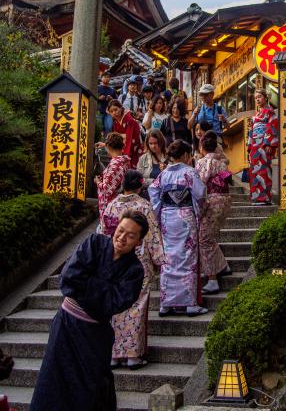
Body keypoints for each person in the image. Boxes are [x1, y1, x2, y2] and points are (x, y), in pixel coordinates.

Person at [29, 211, 148, 411]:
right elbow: (69, 279)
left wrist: (87, 284)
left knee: (91, 386)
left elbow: (115, 303)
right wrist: (103, 289)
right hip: (66, 325)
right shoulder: (94, 243)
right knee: (53, 378)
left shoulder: (135, 270)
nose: (122, 237)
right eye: (120, 230)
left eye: (130, 235)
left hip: (95, 334)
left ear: (139, 241)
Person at [99, 170, 165, 370]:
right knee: (137, 304)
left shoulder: (112, 205)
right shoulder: (143, 206)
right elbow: (152, 233)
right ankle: (133, 355)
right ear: (139, 186)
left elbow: (104, 231)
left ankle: (113, 353)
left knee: (115, 305)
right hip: (138, 258)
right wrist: (159, 258)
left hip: (115, 257)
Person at [149, 139, 207, 317]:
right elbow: (200, 194)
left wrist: (159, 210)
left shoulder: (164, 174)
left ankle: (166, 304)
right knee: (187, 257)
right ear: (186, 155)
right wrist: (199, 209)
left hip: (167, 216)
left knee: (169, 258)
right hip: (185, 216)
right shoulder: (190, 172)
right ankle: (189, 304)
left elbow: (153, 190)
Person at [196, 131, 232, 294]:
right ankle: (223, 265)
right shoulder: (221, 162)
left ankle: (212, 280)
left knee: (204, 240)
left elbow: (200, 183)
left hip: (212, 200)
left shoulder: (203, 162)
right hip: (224, 200)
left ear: (202, 148)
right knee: (209, 237)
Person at [247, 88, 279, 206]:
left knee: (264, 170)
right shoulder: (255, 116)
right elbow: (251, 131)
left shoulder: (270, 111)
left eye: (260, 97)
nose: (258, 99)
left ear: (266, 98)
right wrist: (250, 146)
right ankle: (256, 197)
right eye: (256, 98)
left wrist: (268, 143)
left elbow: (272, 125)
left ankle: (265, 198)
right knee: (254, 172)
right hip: (255, 146)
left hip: (264, 144)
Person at [95, 132, 131, 217]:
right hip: (121, 202)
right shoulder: (124, 161)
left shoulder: (115, 165)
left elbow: (106, 190)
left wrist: (98, 182)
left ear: (109, 147)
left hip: (111, 206)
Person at [107, 99, 143, 168]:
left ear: (121, 108)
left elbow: (130, 139)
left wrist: (125, 156)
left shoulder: (130, 120)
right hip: (122, 149)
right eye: (111, 111)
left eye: (115, 109)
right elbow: (115, 139)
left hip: (134, 149)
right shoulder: (115, 123)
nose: (114, 113)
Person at [97, 71, 116, 136]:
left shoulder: (112, 89)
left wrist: (111, 99)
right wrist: (99, 98)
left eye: (108, 77)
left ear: (110, 79)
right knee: (99, 128)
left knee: (109, 127)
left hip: (109, 112)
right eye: (104, 77)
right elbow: (92, 98)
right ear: (101, 78)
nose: (106, 78)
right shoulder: (97, 88)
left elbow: (116, 101)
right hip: (98, 111)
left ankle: (107, 140)